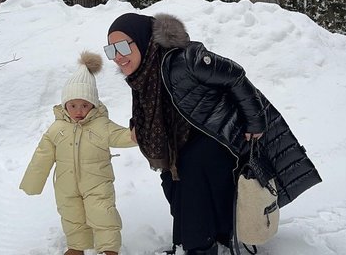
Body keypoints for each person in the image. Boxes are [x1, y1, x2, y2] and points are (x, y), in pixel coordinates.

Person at [104, 13, 322, 255]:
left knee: (192, 174)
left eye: (123, 46)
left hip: (221, 133)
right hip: (188, 136)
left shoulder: (186, 59)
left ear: (143, 39)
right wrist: (137, 123)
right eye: (111, 50)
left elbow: (235, 75)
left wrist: (255, 121)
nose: (118, 56)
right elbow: (152, 107)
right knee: (172, 180)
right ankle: (195, 238)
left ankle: (201, 247)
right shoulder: (143, 73)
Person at [20, 51, 137, 255]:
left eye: (84, 105)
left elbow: (121, 136)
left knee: (103, 214)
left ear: (93, 104)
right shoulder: (57, 129)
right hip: (66, 185)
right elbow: (42, 157)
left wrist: (138, 135)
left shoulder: (102, 125)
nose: (78, 110)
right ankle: (76, 247)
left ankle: (109, 249)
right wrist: (33, 183)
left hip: (98, 183)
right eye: (73, 105)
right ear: (65, 105)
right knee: (71, 216)